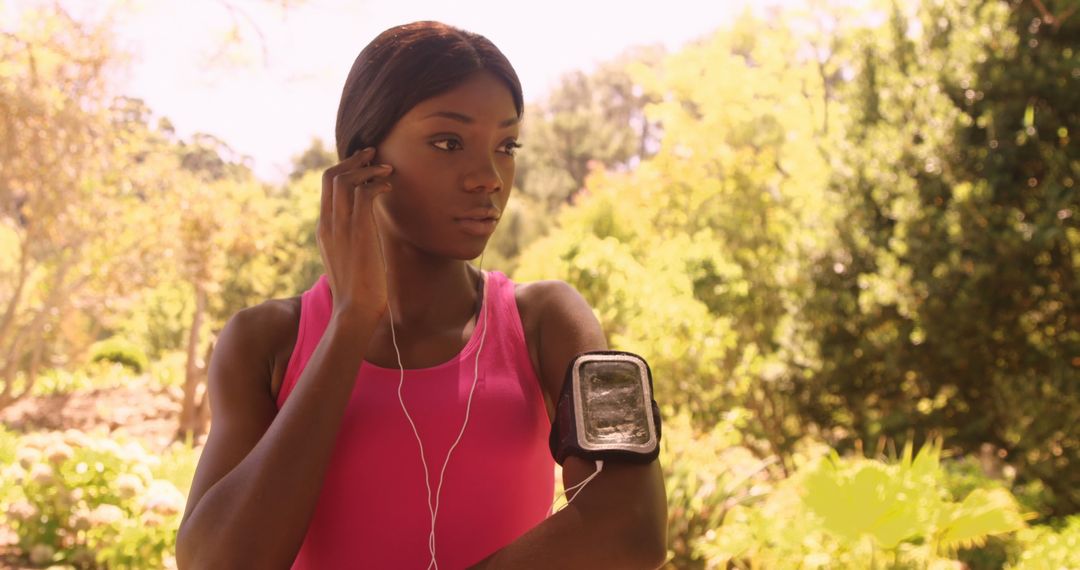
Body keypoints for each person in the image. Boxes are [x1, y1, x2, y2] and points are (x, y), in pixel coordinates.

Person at [175, 20, 667, 570]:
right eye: (448, 143)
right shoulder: (264, 341)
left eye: (506, 145)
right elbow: (215, 563)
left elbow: (633, 527)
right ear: (362, 158)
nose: (489, 177)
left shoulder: (551, 321)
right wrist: (351, 322)